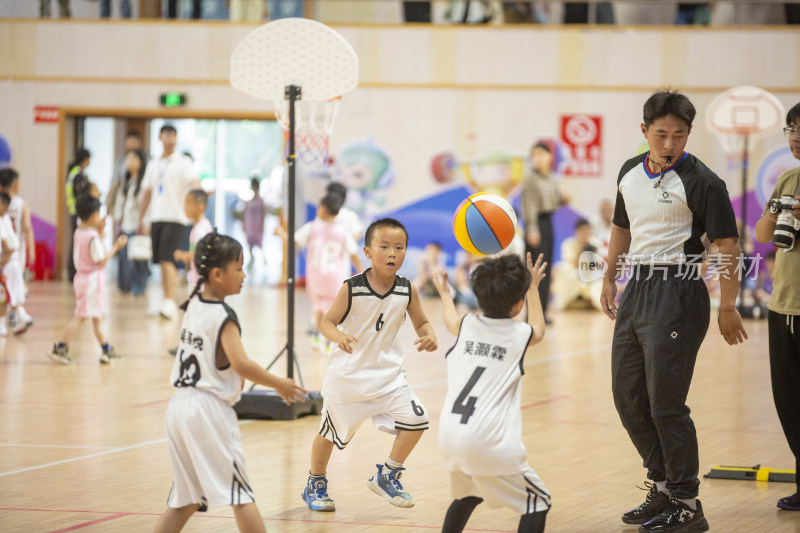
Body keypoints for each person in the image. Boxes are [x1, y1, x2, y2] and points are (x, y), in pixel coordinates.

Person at [600, 89, 747, 533]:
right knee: (628, 396)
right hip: (637, 290)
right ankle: (662, 487)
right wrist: (609, 277)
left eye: (678, 136)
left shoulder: (705, 182)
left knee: (666, 403)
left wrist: (728, 305)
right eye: (660, 135)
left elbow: (728, 245)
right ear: (644, 131)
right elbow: (622, 228)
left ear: (688, 134)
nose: (669, 144)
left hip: (679, 291)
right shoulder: (629, 172)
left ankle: (687, 502)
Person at [154, 232, 307, 533]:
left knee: (184, 500)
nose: (244, 274)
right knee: (241, 494)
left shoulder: (194, 302)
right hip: (208, 411)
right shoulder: (224, 315)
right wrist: (279, 383)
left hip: (178, 408)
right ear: (217, 273)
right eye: (239, 268)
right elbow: (240, 363)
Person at [301, 218, 438, 512]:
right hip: (348, 380)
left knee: (417, 421)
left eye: (399, 248)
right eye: (384, 247)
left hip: (389, 380)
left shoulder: (407, 289)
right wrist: (338, 336)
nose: (392, 253)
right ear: (367, 251)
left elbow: (422, 322)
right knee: (329, 435)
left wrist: (429, 334)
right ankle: (316, 481)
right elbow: (326, 322)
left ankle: (387, 475)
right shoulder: (351, 288)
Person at [433, 252, 550, 533]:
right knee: (538, 501)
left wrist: (444, 292)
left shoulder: (465, 325)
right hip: (490, 442)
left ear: (478, 297)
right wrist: (533, 287)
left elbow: (450, 319)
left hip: (450, 437)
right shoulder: (519, 334)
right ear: (518, 302)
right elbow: (539, 329)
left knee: (469, 493)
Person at [754, 101, 800, 512]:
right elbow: (764, 233)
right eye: (791, 129)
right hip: (784, 306)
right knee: (788, 398)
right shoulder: (788, 178)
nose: (797, 136)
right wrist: (779, 208)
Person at [48, 194, 127, 364]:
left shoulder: (80, 231)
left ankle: (106, 349)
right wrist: (116, 247)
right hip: (91, 282)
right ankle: (61, 347)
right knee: (81, 316)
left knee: (96, 317)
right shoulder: (92, 237)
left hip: (83, 279)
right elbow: (100, 260)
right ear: (93, 216)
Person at [137, 124, 201, 320]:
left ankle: (170, 301)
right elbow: (147, 193)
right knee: (160, 260)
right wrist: (141, 218)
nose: (170, 139)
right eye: (166, 135)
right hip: (157, 217)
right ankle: (167, 300)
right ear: (160, 138)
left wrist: (199, 195)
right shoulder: (153, 164)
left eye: (173, 135)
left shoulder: (183, 162)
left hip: (176, 218)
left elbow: (194, 182)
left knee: (167, 258)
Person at [294, 193, 361, 351]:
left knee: (318, 307)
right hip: (334, 278)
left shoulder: (312, 227)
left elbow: (294, 240)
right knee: (333, 312)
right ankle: (330, 341)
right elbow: (353, 252)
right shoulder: (342, 230)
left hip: (315, 276)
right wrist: (361, 270)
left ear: (323, 209)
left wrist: (280, 233)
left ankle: (317, 336)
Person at [521, 141, 568, 323]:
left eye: (541, 155)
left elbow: (554, 203)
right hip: (536, 224)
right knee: (534, 269)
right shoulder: (530, 178)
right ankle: (530, 315)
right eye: (535, 156)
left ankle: (542, 312)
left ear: (549, 157)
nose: (538, 159)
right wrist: (532, 229)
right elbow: (529, 206)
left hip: (548, 222)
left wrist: (563, 200)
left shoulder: (552, 177)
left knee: (545, 268)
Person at [0, 167, 36, 334]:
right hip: (16, 253)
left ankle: (12, 320)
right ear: (16, 185)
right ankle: (15, 319)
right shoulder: (21, 204)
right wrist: (32, 249)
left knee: (9, 286)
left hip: (7, 255)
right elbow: (27, 228)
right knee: (13, 285)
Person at [115, 148, 150, 296]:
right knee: (124, 258)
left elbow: (146, 205)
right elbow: (120, 204)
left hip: (138, 226)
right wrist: (118, 221)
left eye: (133, 159)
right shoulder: (126, 181)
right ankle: (125, 286)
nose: (129, 162)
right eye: (128, 159)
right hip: (126, 225)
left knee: (139, 258)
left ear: (141, 162)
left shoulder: (144, 183)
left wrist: (144, 224)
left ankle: (139, 288)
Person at [552, 218, 605, 311]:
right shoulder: (568, 243)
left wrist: (594, 253)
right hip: (575, 270)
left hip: (591, 272)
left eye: (588, 230)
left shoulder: (596, 243)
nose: (585, 233)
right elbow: (571, 263)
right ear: (577, 232)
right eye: (582, 231)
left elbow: (598, 265)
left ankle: (594, 302)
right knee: (569, 274)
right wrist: (579, 252)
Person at [174, 189, 213, 292]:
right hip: (197, 279)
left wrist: (182, 255)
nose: (184, 208)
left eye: (188, 204)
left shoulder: (200, 229)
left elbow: (199, 253)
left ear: (200, 207)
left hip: (200, 280)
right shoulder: (202, 226)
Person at [107, 131, 143, 230]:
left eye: (134, 141)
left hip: (136, 219)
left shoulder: (147, 161)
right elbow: (114, 184)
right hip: (122, 212)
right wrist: (109, 204)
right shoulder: (121, 161)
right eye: (129, 141)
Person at [66, 147, 92, 282]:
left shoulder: (76, 173)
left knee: (76, 241)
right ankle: (73, 272)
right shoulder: (77, 174)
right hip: (78, 213)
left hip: (75, 212)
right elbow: (80, 194)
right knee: (77, 243)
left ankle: (74, 271)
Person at [0, 192, 18, 336]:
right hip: (4, 261)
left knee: (4, 296)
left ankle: (3, 323)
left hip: (3, 264)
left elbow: (7, 244)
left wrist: (8, 254)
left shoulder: (4, 220)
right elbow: (5, 244)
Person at [240, 177, 267, 266]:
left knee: (260, 243)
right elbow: (244, 214)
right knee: (250, 243)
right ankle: (251, 258)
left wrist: (262, 226)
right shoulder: (248, 202)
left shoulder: (261, 201)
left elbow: (263, 215)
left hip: (257, 225)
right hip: (250, 225)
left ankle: (264, 259)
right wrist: (244, 224)